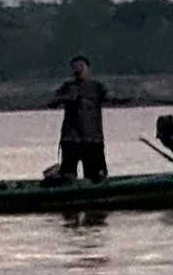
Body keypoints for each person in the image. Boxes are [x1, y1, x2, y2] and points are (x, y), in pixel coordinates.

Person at [49, 56, 121, 185]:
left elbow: (111, 98)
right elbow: (52, 102)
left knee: (96, 176)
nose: (78, 70)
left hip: (93, 139)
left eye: (81, 66)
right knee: (67, 176)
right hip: (71, 139)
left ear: (88, 69)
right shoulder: (67, 87)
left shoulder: (97, 87)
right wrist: (66, 98)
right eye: (75, 67)